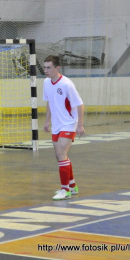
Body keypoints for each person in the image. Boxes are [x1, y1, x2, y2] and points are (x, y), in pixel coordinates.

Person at [43, 55, 85, 201]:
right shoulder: (46, 82)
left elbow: (80, 104)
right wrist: (47, 121)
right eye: (45, 67)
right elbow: (49, 102)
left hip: (68, 123)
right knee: (60, 156)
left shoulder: (67, 84)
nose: (46, 70)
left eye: (49, 67)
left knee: (61, 156)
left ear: (57, 68)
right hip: (56, 125)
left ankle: (65, 190)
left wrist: (79, 125)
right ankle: (72, 186)